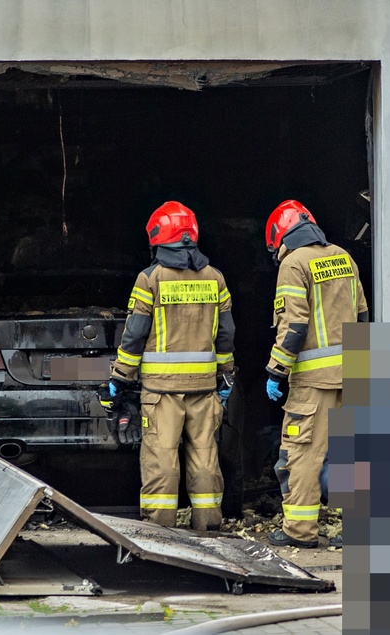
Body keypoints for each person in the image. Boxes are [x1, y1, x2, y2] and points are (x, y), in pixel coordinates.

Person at [109, 201, 235, 531]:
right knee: (205, 459)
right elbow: (226, 334)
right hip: (204, 390)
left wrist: (120, 377)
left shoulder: (150, 279)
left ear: (156, 238)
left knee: (162, 460)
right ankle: (208, 527)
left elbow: (134, 334)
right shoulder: (215, 278)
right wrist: (225, 375)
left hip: (162, 392)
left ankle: (159, 532)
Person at [263, 200, 367, 549]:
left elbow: (293, 326)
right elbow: (364, 316)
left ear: (280, 235)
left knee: (302, 453)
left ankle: (300, 532)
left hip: (312, 383)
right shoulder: (344, 257)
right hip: (354, 374)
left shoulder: (294, 264)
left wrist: (276, 371)